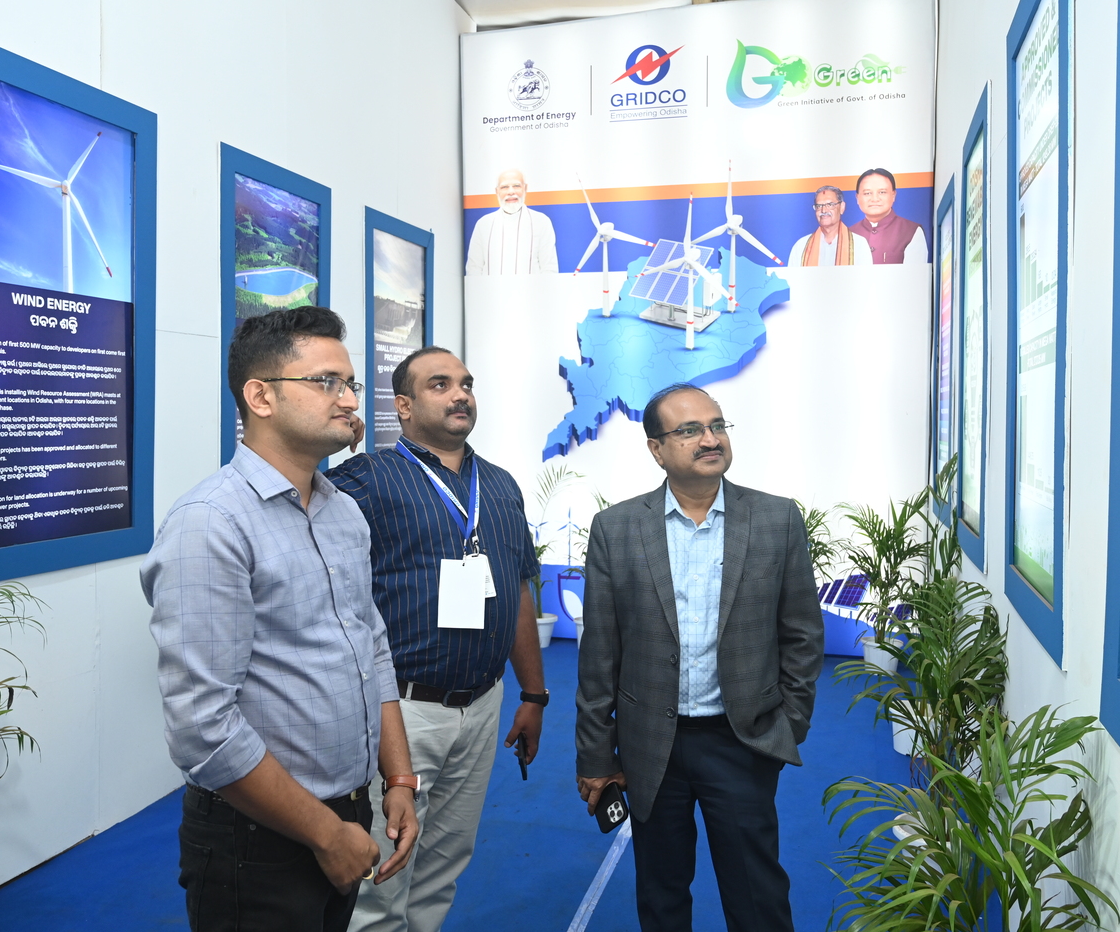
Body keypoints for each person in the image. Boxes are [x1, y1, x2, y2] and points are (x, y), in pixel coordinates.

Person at [143, 307, 419, 932]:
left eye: (350, 383)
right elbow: (203, 729)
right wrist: (328, 834)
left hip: (348, 812)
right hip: (257, 839)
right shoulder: (211, 523)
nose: (350, 400)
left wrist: (398, 778)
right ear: (260, 397)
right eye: (327, 382)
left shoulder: (343, 512)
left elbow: (371, 649)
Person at [575, 383, 825, 932]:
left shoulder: (777, 519)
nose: (710, 439)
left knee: (758, 896)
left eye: (716, 426)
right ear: (656, 449)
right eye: (689, 430)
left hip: (742, 741)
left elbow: (803, 634)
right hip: (650, 744)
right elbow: (599, 656)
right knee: (661, 894)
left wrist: (789, 723)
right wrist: (595, 753)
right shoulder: (617, 529)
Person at [328, 346, 546, 932]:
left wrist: (534, 694)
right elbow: (297, 510)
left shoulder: (499, 486)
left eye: (466, 384)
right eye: (440, 384)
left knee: (444, 865)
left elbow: (518, 590)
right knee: (382, 872)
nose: (460, 395)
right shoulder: (366, 479)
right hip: (402, 709)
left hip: (483, 703)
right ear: (403, 406)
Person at [465, 169, 558, 274]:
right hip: (491, 286)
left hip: (531, 286)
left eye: (516, 186)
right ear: (497, 191)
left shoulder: (541, 222)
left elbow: (549, 269)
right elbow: (474, 270)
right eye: (504, 187)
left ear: (525, 188)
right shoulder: (483, 224)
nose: (511, 192)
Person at [849, 168, 929, 265]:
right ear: (857, 198)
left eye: (882, 192)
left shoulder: (912, 231)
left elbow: (914, 273)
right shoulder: (847, 234)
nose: (875, 199)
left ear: (893, 195)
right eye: (867, 193)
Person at [787, 185, 870, 266]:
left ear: (842, 207)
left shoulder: (859, 244)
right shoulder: (801, 246)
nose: (824, 210)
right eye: (819, 206)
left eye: (830, 205)